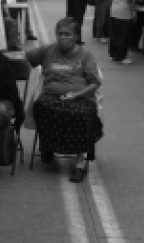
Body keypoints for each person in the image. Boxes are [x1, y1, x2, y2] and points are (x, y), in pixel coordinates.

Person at [25, 17, 102, 183]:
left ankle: (80, 162)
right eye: (59, 34)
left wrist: (77, 95)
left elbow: (95, 83)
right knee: (41, 105)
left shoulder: (85, 55)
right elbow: (27, 58)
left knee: (81, 114)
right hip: (52, 96)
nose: (62, 37)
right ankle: (48, 147)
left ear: (76, 36)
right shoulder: (48, 50)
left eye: (67, 34)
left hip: (80, 97)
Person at [109, 0, 136, 64]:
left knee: (115, 35)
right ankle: (120, 57)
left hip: (114, 10)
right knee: (123, 35)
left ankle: (113, 54)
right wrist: (133, 13)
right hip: (124, 12)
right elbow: (130, 0)